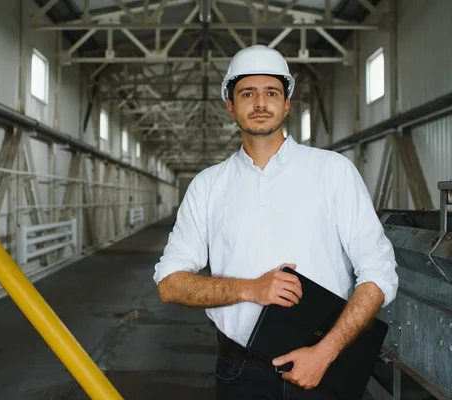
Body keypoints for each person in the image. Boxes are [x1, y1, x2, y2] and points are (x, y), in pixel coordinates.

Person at [152, 45, 398, 400]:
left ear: (286, 104)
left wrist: (325, 352)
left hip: (324, 364)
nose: (260, 103)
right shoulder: (208, 186)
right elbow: (169, 283)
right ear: (230, 105)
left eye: (271, 92)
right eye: (247, 93)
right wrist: (250, 288)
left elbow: (379, 272)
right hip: (241, 371)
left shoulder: (333, 172)